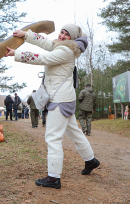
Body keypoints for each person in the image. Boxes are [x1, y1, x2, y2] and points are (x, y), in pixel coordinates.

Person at [6, 23, 100, 189]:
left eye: (66, 34)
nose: (61, 36)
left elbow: (43, 58)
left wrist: (17, 54)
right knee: (75, 132)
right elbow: (46, 42)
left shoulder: (65, 51)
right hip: (65, 98)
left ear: (72, 39)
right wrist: (26, 35)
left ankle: (54, 177)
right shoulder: (63, 46)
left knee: (53, 137)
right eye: (61, 32)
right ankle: (91, 160)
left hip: (60, 100)